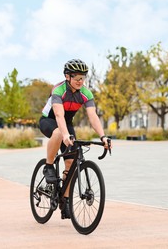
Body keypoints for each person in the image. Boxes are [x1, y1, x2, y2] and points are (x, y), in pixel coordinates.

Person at [39, 58, 111, 219]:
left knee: (71, 164)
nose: (80, 81)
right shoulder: (58, 90)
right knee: (58, 133)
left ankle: (65, 201)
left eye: (83, 78)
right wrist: (64, 134)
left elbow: (93, 116)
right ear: (67, 77)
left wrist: (103, 136)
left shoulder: (86, 93)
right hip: (49, 121)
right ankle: (49, 166)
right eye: (77, 78)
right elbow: (58, 114)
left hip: (67, 123)